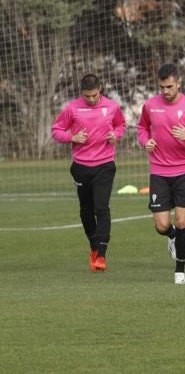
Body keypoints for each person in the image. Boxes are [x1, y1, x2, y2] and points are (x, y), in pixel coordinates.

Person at [137, 63, 185, 285]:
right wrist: (145, 141)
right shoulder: (150, 105)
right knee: (161, 225)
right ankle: (171, 237)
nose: (165, 91)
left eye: (169, 86)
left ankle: (180, 271)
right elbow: (141, 128)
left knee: (181, 221)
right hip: (158, 172)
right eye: (162, 87)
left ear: (179, 84)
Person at [51, 73, 127, 272]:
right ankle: (93, 247)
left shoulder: (112, 107)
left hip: (105, 165)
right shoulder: (72, 109)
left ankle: (101, 254)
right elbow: (56, 130)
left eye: (94, 95)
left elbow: (121, 125)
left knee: (101, 208)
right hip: (81, 167)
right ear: (81, 93)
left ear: (100, 89)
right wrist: (72, 137)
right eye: (87, 96)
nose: (91, 99)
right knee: (86, 211)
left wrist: (115, 135)